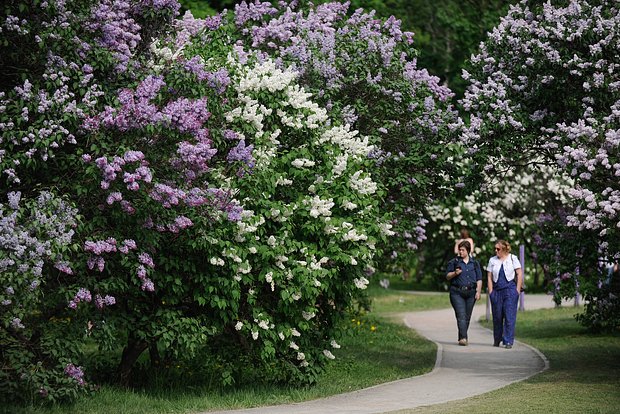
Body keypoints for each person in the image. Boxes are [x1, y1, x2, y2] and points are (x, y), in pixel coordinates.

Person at [445, 240, 482, 346]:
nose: (460, 252)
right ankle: (463, 338)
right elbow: (447, 276)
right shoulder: (454, 262)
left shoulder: (475, 263)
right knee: (461, 315)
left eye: (462, 250)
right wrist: (454, 273)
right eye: (459, 250)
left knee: (467, 316)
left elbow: (479, 279)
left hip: (471, 293)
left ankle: (463, 335)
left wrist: (478, 291)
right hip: (457, 292)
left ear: (468, 251)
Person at [487, 240, 523, 349]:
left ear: (504, 249)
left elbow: (519, 273)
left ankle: (508, 341)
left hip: (510, 290)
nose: (495, 251)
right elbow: (489, 276)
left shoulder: (513, 258)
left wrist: (517, 290)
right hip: (497, 291)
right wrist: (491, 292)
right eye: (495, 248)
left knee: (509, 316)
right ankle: (497, 339)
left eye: (498, 249)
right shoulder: (492, 260)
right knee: (497, 317)